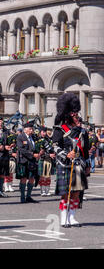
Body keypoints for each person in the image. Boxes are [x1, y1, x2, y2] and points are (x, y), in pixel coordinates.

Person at [52, 93, 90, 227]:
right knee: (66, 193)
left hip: (79, 164)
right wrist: (66, 155)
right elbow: (55, 146)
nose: (76, 115)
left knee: (77, 192)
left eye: (77, 113)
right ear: (68, 114)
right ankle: (63, 218)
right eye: (74, 113)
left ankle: (72, 217)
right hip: (65, 164)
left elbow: (86, 150)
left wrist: (88, 164)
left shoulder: (82, 131)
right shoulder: (60, 129)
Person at [16, 121, 39, 203]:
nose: (32, 130)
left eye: (32, 129)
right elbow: (21, 149)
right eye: (30, 129)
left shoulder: (34, 137)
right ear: (25, 130)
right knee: (23, 178)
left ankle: (28, 196)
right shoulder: (20, 137)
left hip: (32, 161)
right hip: (24, 161)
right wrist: (32, 155)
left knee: (32, 178)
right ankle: (22, 197)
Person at [36, 126, 56, 196]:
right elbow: (39, 152)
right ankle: (42, 191)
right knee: (42, 176)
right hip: (42, 160)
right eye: (43, 132)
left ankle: (47, 190)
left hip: (49, 160)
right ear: (40, 132)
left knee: (48, 176)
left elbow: (52, 149)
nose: (44, 133)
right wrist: (49, 155)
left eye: (45, 132)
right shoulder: (38, 140)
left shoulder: (48, 140)